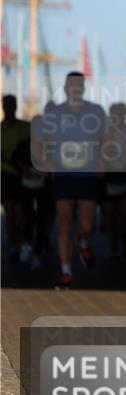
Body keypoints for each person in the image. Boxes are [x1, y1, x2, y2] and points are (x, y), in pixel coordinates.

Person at [40, 73, 107, 288]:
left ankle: (84, 242)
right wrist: (46, 160)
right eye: (71, 85)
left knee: (87, 225)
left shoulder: (96, 111)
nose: (75, 89)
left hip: (88, 174)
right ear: (65, 87)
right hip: (63, 174)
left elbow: (106, 140)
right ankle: (66, 272)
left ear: (84, 88)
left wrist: (103, 161)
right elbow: (41, 141)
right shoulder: (55, 113)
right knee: (65, 222)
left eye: (79, 85)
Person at [13, 113, 53, 270]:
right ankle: (26, 244)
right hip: (26, 188)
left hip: (44, 189)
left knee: (42, 220)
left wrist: (49, 170)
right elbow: (14, 161)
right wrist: (22, 169)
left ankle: (37, 252)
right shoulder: (24, 145)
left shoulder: (50, 147)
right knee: (27, 218)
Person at [102, 102, 126, 260]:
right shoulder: (104, 133)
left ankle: (124, 236)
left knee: (124, 215)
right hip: (108, 179)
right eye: (114, 114)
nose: (116, 117)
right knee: (109, 216)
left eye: (120, 114)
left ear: (124, 115)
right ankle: (113, 242)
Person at [1, 95, 32, 263]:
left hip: (23, 176)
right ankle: (14, 243)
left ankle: (23, 239)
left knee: (22, 212)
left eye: (12, 105)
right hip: (5, 175)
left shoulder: (26, 128)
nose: (9, 108)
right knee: (9, 210)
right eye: (7, 105)